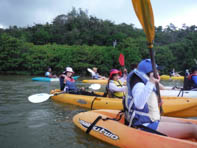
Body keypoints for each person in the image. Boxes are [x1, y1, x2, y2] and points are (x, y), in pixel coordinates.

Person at [124, 59, 197, 139]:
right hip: (144, 124)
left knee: (189, 123)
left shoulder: (145, 80)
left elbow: (145, 101)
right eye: (156, 71)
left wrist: (156, 103)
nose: (158, 73)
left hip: (150, 119)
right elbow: (139, 105)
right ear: (149, 73)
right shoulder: (138, 84)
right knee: (194, 129)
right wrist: (151, 82)